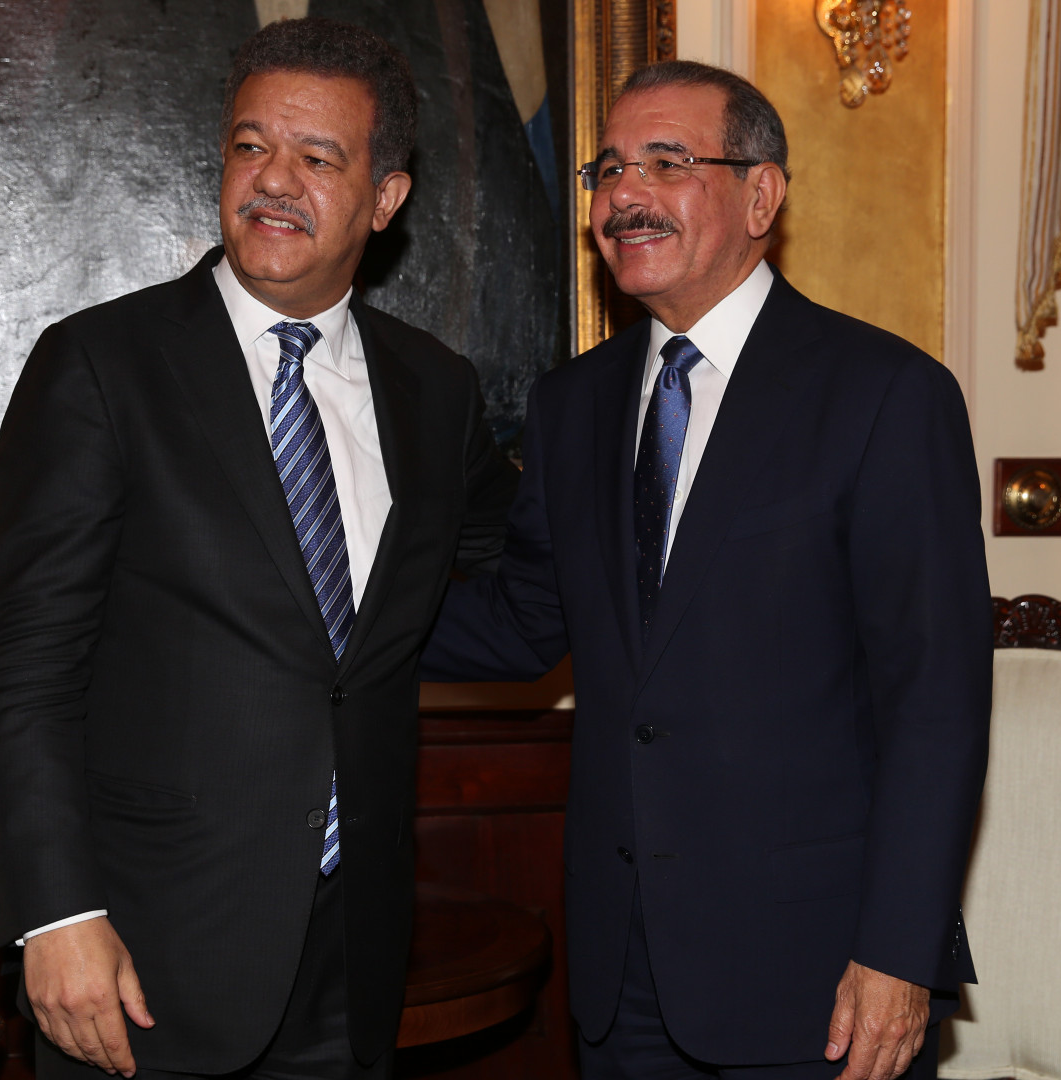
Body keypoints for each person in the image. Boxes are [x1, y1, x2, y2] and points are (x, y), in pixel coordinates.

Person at [421, 60, 992, 1080]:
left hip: (818, 973)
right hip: (622, 967)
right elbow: (522, 621)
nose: (624, 195)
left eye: (666, 162)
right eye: (607, 169)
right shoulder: (572, 406)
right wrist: (322, 609)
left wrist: (900, 954)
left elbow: (935, 702)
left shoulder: (884, 395)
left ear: (761, 196)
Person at [0, 18, 518, 1080]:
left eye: (319, 158)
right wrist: (56, 914)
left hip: (354, 955)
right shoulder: (101, 365)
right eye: (252, 146)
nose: (275, 179)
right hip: (142, 953)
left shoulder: (434, 390)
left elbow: (505, 571)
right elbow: (28, 668)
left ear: (386, 199)